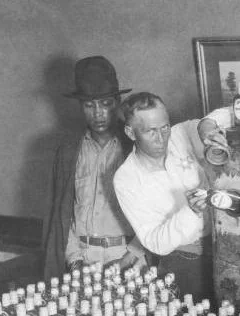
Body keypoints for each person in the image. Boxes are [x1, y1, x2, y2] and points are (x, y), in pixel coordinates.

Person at [43, 56, 145, 280]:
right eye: (89, 105)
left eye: (105, 103)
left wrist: (131, 256)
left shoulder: (135, 149)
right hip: (82, 260)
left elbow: (155, 211)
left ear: (117, 102)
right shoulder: (69, 151)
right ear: (80, 106)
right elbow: (63, 213)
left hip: (128, 259)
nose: (98, 113)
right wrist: (74, 260)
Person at [113, 92, 213, 302]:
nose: (162, 138)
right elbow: (154, 242)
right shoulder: (126, 179)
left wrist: (209, 127)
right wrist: (191, 211)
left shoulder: (179, 135)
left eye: (164, 127)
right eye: (150, 132)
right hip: (184, 264)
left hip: (223, 249)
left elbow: (221, 118)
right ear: (130, 133)